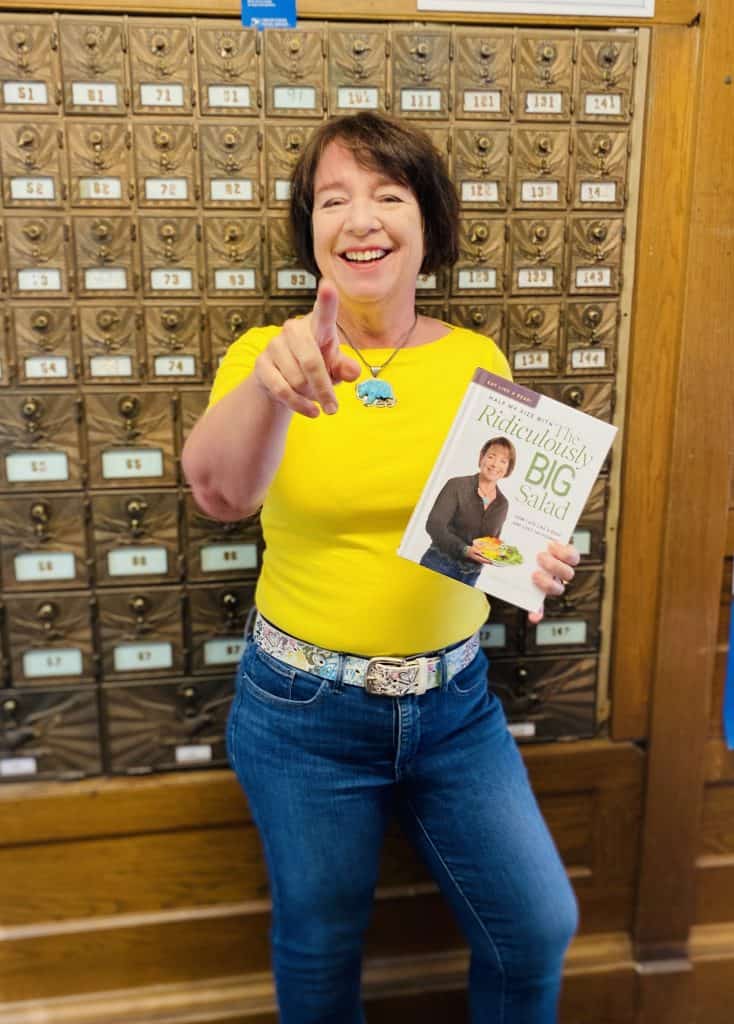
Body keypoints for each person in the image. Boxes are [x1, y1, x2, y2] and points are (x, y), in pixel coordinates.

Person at [183, 112, 579, 1024]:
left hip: (456, 710)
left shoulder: (477, 359)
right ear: (312, 233)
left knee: (536, 926)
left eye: (387, 195)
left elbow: (488, 529)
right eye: (334, 200)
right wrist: (271, 388)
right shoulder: (267, 358)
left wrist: (537, 562)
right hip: (304, 713)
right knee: (318, 947)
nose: (361, 218)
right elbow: (217, 495)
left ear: (428, 226)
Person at [421, 435, 517, 586]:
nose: (495, 464)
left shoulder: (502, 504)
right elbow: (434, 526)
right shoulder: (456, 485)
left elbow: (491, 541)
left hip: (471, 576)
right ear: (481, 458)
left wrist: (501, 553)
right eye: (491, 457)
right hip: (439, 564)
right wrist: (465, 550)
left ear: (508, 469)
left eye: (503, 461)